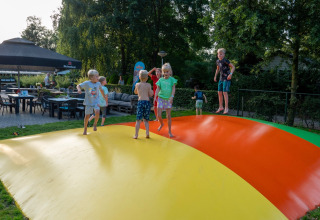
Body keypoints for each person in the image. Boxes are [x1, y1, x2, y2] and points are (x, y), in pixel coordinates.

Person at [77, 69, 108, 135]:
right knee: (87, 116)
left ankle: (95, 124)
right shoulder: (87, 83)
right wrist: (79, 89)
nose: (98, 78)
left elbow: (101, 90)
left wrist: (104, 97)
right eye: (96, 76)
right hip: (88, 103)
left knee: (97, 112)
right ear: (91, 78)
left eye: (98, 76)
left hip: (96, 102)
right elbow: (78, 85)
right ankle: (85, 128)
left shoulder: (98, 83)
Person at [154, 63, 177, 138]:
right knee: (159, 115)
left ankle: (170, 131)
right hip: (160, 98)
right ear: (162, 72)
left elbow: (173, 89)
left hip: (168, 99)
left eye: (167, 72)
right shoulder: (160, 80)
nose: (166, 73)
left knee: (168, 115)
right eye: (164, 72)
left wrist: (172, 97)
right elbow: (158, 89)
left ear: (170, 72)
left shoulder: (172, 80)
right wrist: (155, 96)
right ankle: (161, 124)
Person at [214, 48, 235, 114]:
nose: (219, 55)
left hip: (226, 78)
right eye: (218, 54)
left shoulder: (225, 61)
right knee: (219, 92)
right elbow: (217, 69)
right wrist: (215, 76)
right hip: (221, 78)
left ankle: (226, 108)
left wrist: (230, 74)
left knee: (224, 92)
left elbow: (233, 67)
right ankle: (221, 107)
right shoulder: (217, 61)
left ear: (224, 55)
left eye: (221, 54)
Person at [133, 70, 153, 139]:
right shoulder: (148, 85)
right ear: (147, 78)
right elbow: (150, 94)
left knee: (138, 120)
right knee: (146, 120)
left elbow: (135, 92)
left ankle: (136, 135)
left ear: (139, 77)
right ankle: (147, 133)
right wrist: (152, 91)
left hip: (140, 102)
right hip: (147, 102)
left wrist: (138, 90)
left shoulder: (137, 84)